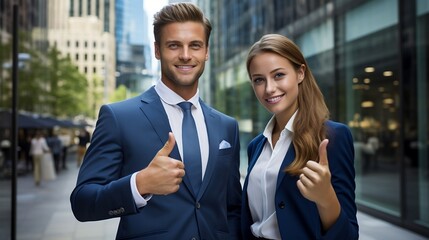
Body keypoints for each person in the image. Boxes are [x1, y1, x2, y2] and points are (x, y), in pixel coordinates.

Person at [70, 3, 242, 240]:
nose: (185, 55)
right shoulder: (118, 117)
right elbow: (82, 202)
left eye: (195, 45)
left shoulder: (227, 126)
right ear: (157, 50)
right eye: (174, 45)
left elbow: (233, 208)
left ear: (206, 51)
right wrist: (139, 184)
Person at [241, 34, 358, 239]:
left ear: (300, 73)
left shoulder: (333, 137)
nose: (269, 88)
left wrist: (326, 198)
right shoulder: (256, 146)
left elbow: (348, 234)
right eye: (259, 80)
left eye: (278, 75)